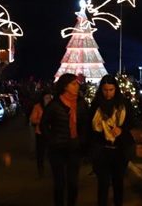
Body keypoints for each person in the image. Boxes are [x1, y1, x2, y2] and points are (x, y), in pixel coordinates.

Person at [41, 73, 90, 206]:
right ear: (65, 86)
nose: (77, 86)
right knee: (59, 183)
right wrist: (51, 140)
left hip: (74, 147)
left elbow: (86, 124)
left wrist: (82, 140)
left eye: (77, 84)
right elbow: (44, 124)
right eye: (73, 84)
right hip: (58, 149)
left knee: (73, 183)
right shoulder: (55, 104)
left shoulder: (81, 103)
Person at [90, 75, 135, 206]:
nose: (108, 93)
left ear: (116, 89)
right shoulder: (96, 104)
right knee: (103, 184)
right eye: (105, 90)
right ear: (101, 89)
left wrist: (122, 129)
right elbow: (90, 126)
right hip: (102, 150)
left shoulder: (124, 104)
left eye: (111, 90)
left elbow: (132, 121)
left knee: (118, 183)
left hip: (120, 150)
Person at [30, 91, 54, 178]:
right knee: (40, 153)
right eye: (46, 98)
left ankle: (54, 171)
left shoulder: (53, 107)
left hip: (51, 133)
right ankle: (41, 171)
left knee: (52, 153)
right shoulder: (37, 107)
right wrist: (42, 121)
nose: (48, 100)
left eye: (50, 98)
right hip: (40, 133)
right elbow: (33, 119)